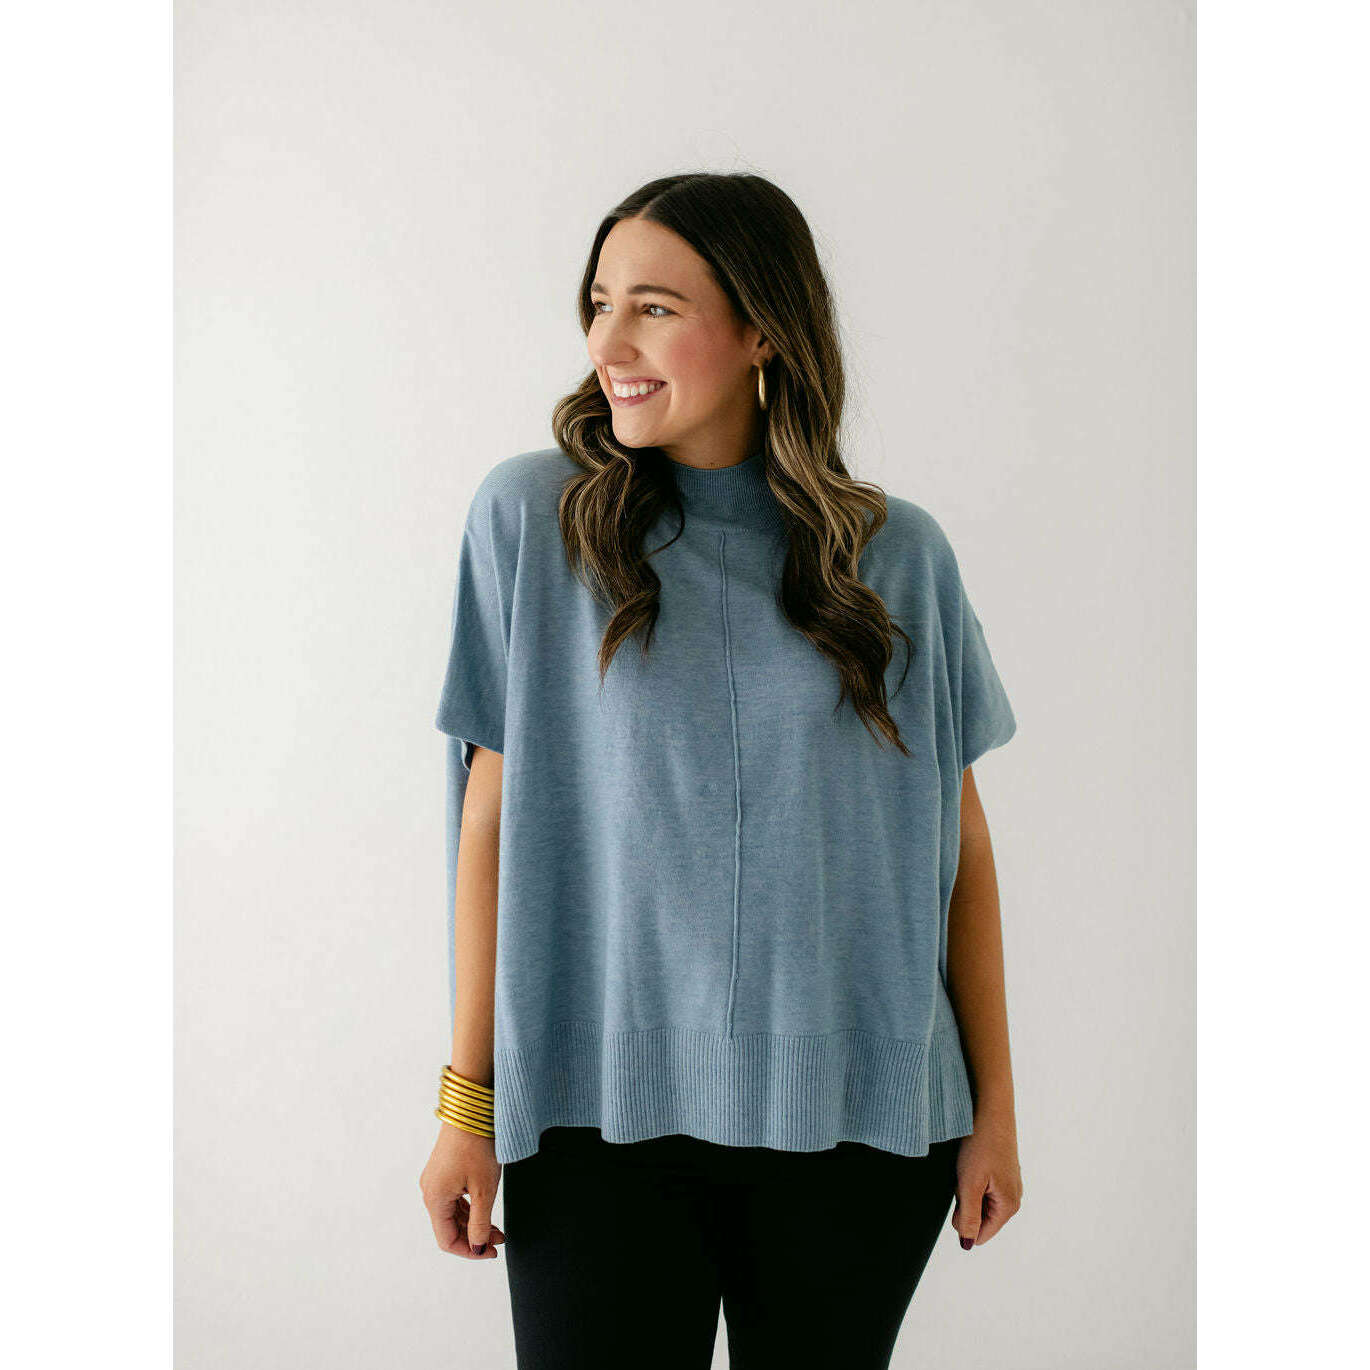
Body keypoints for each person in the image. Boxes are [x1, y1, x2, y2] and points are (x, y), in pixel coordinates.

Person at [418, 172, 1024, 1369]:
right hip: (595, 1116)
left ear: (761, 330)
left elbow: (956, 845)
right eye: (600, 304)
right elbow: (486, 824)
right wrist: (465, 1104)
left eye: (653, 307)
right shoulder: (533, 520)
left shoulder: (894, 557)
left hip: (861, 1129)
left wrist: (994, 1112)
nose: (609, 344)